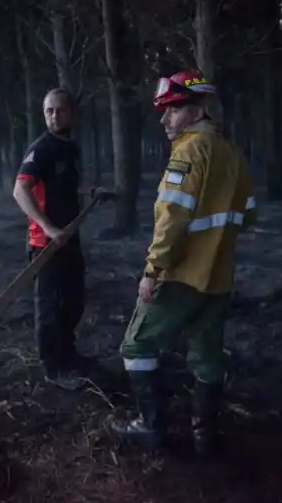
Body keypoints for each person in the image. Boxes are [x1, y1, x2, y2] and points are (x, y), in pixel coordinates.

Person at [110, 70, 257, 456]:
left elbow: (172, 218)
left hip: (178, 277)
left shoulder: (188, 152)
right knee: (207, 358)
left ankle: (150, 427)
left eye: (172, 110)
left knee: (137, 346)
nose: (164, 120)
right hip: (219, 279)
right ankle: (205, 438)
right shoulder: (233, 154)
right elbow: (249, 214)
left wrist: (152, 271)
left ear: (196, 111)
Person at [13, 88, 96, 390]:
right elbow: (20, 191)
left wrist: (89, 193)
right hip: (45, 245)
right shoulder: (41, 149)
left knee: (74, 301)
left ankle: (68, 353)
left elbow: (64, 187)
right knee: (49, 307)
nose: (54, 116)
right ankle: (53, 368)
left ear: (72, 113)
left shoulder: (70, 149)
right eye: (49, 111)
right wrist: (48, 228)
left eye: (60, 110)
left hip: (69, 238)